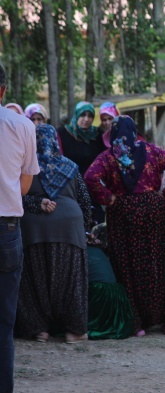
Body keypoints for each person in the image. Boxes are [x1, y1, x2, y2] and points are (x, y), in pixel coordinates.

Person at [85, 115, 165, 337]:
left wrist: (108, 199)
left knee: (128, 265)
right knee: (158, 262)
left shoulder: (109, 156)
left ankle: (138, 323)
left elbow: (90, 177)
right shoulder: (152, 151)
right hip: (154, 210)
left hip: (123, 213)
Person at [16, 124, 91, 345]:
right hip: (70, 229)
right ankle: (74, 332)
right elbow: (85, 201)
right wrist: (84, 229)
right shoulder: (70, 167)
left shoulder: (27, 167)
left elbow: (15, 196)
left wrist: (37, 202)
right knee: (71, 283)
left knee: (36, 282)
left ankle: (39, 330)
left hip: (35, 231)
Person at [0, 63, 39, 393]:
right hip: (6, 230)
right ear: (3, 91)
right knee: (3, 327)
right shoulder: (22, 126)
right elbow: (25, 187)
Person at [57, 101, 106, 176]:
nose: (86, 119)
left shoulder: (98, 134)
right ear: (76, 115)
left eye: (90, 116)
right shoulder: (62, 133)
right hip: (71, 180)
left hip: (93, 180)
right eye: (82, 115)